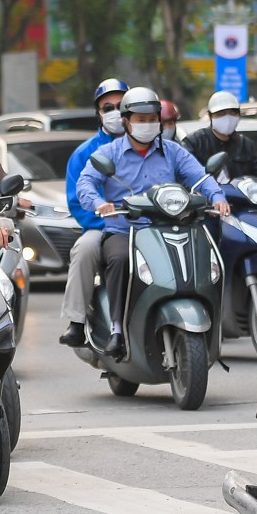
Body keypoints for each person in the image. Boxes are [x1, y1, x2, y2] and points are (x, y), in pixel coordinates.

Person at [75, 86, 229, 351]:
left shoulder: (173, 152)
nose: (147, 125)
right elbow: (86, 182)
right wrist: (99, 204)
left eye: (152, 119)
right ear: (126, 121)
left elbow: (200, 176)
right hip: (125, 231)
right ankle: (117, 329)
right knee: (121, 259)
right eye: (140, 120)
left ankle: (213, 327)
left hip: (170, 227)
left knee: (203, 255)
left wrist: (217, 197)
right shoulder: (109, 153)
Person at [58, 78, 130, 348]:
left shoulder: (150, 147)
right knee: (84, 249)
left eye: (121, 106)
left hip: (148, 226)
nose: (114, 112)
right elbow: (77, 202)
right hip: (103, 229)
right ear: (98, 114)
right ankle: (77, 322)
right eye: (107, 107)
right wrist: (105, 220)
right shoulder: (84, 153)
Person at [182, 90, 257, 182]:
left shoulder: (245, 144)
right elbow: (184, 173)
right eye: (221, 114)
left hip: (240, 195)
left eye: (233, 113)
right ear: (210, 116)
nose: (228, 118)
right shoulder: (195, 142)